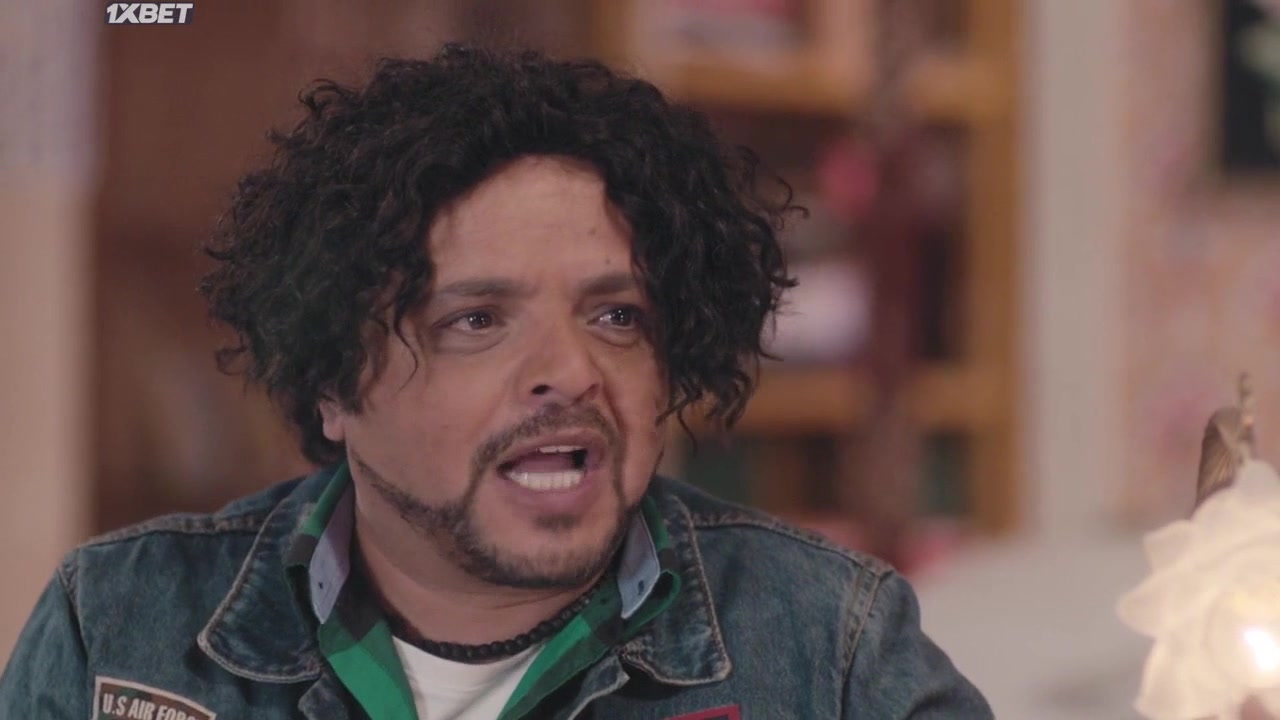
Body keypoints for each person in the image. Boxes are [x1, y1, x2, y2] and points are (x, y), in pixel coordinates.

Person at [0, 44, 991, 719]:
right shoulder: (119, 627)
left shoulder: (829, 648)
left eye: (616, 316)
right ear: (332, 383)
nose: (570, 372)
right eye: (475, 322)